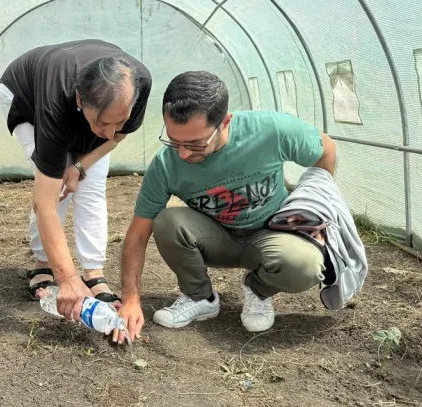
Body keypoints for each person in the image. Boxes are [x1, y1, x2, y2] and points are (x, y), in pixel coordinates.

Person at [112, 70, 337, 344]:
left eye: (195, 143)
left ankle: (258, 290)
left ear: (225, 122)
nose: (182, 153)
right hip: (216, 237)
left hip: (271, 234)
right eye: (174, 140)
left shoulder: (271, 131)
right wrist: (130, 298)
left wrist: (317, 206)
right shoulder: (167, 163)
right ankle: (200, 298)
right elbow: (137, 233)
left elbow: (326, 149)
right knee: (166, 222)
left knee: (307, 265)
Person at [0, 39, 152, 322]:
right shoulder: (55, 101)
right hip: (27, 99)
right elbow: (43, 202)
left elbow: (117, 135)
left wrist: (82, 164)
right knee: (57, 191)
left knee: (91, 185)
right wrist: (66, 277)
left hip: (87, 107)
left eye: (119, 120)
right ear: (80, 100)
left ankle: (93, 271)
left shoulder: (138, 83)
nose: (109, 132)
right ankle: (43, 264)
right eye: (103, 123)